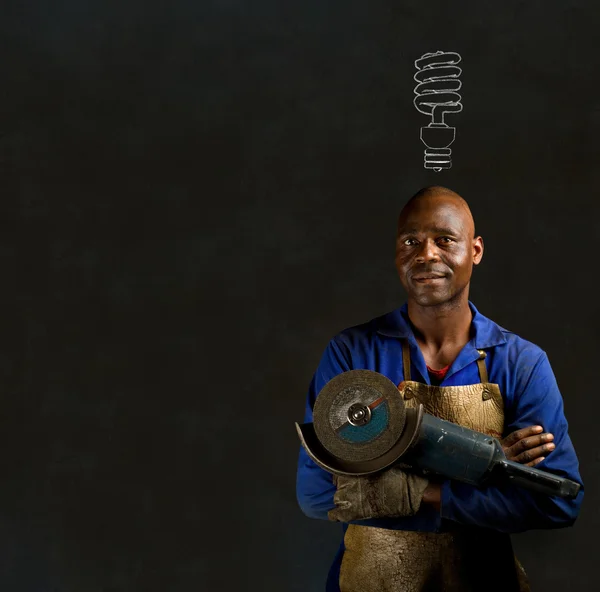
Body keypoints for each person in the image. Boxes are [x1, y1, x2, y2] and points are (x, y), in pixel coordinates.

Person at [295, 186, 584, 592]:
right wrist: (484, 468)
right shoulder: (351, 353)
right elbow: (317, 494)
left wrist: (411, 490)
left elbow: (558, 499)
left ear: (476, 250)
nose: (426, 254)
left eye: (445, 240)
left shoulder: (521, 362)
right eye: (411, 241)